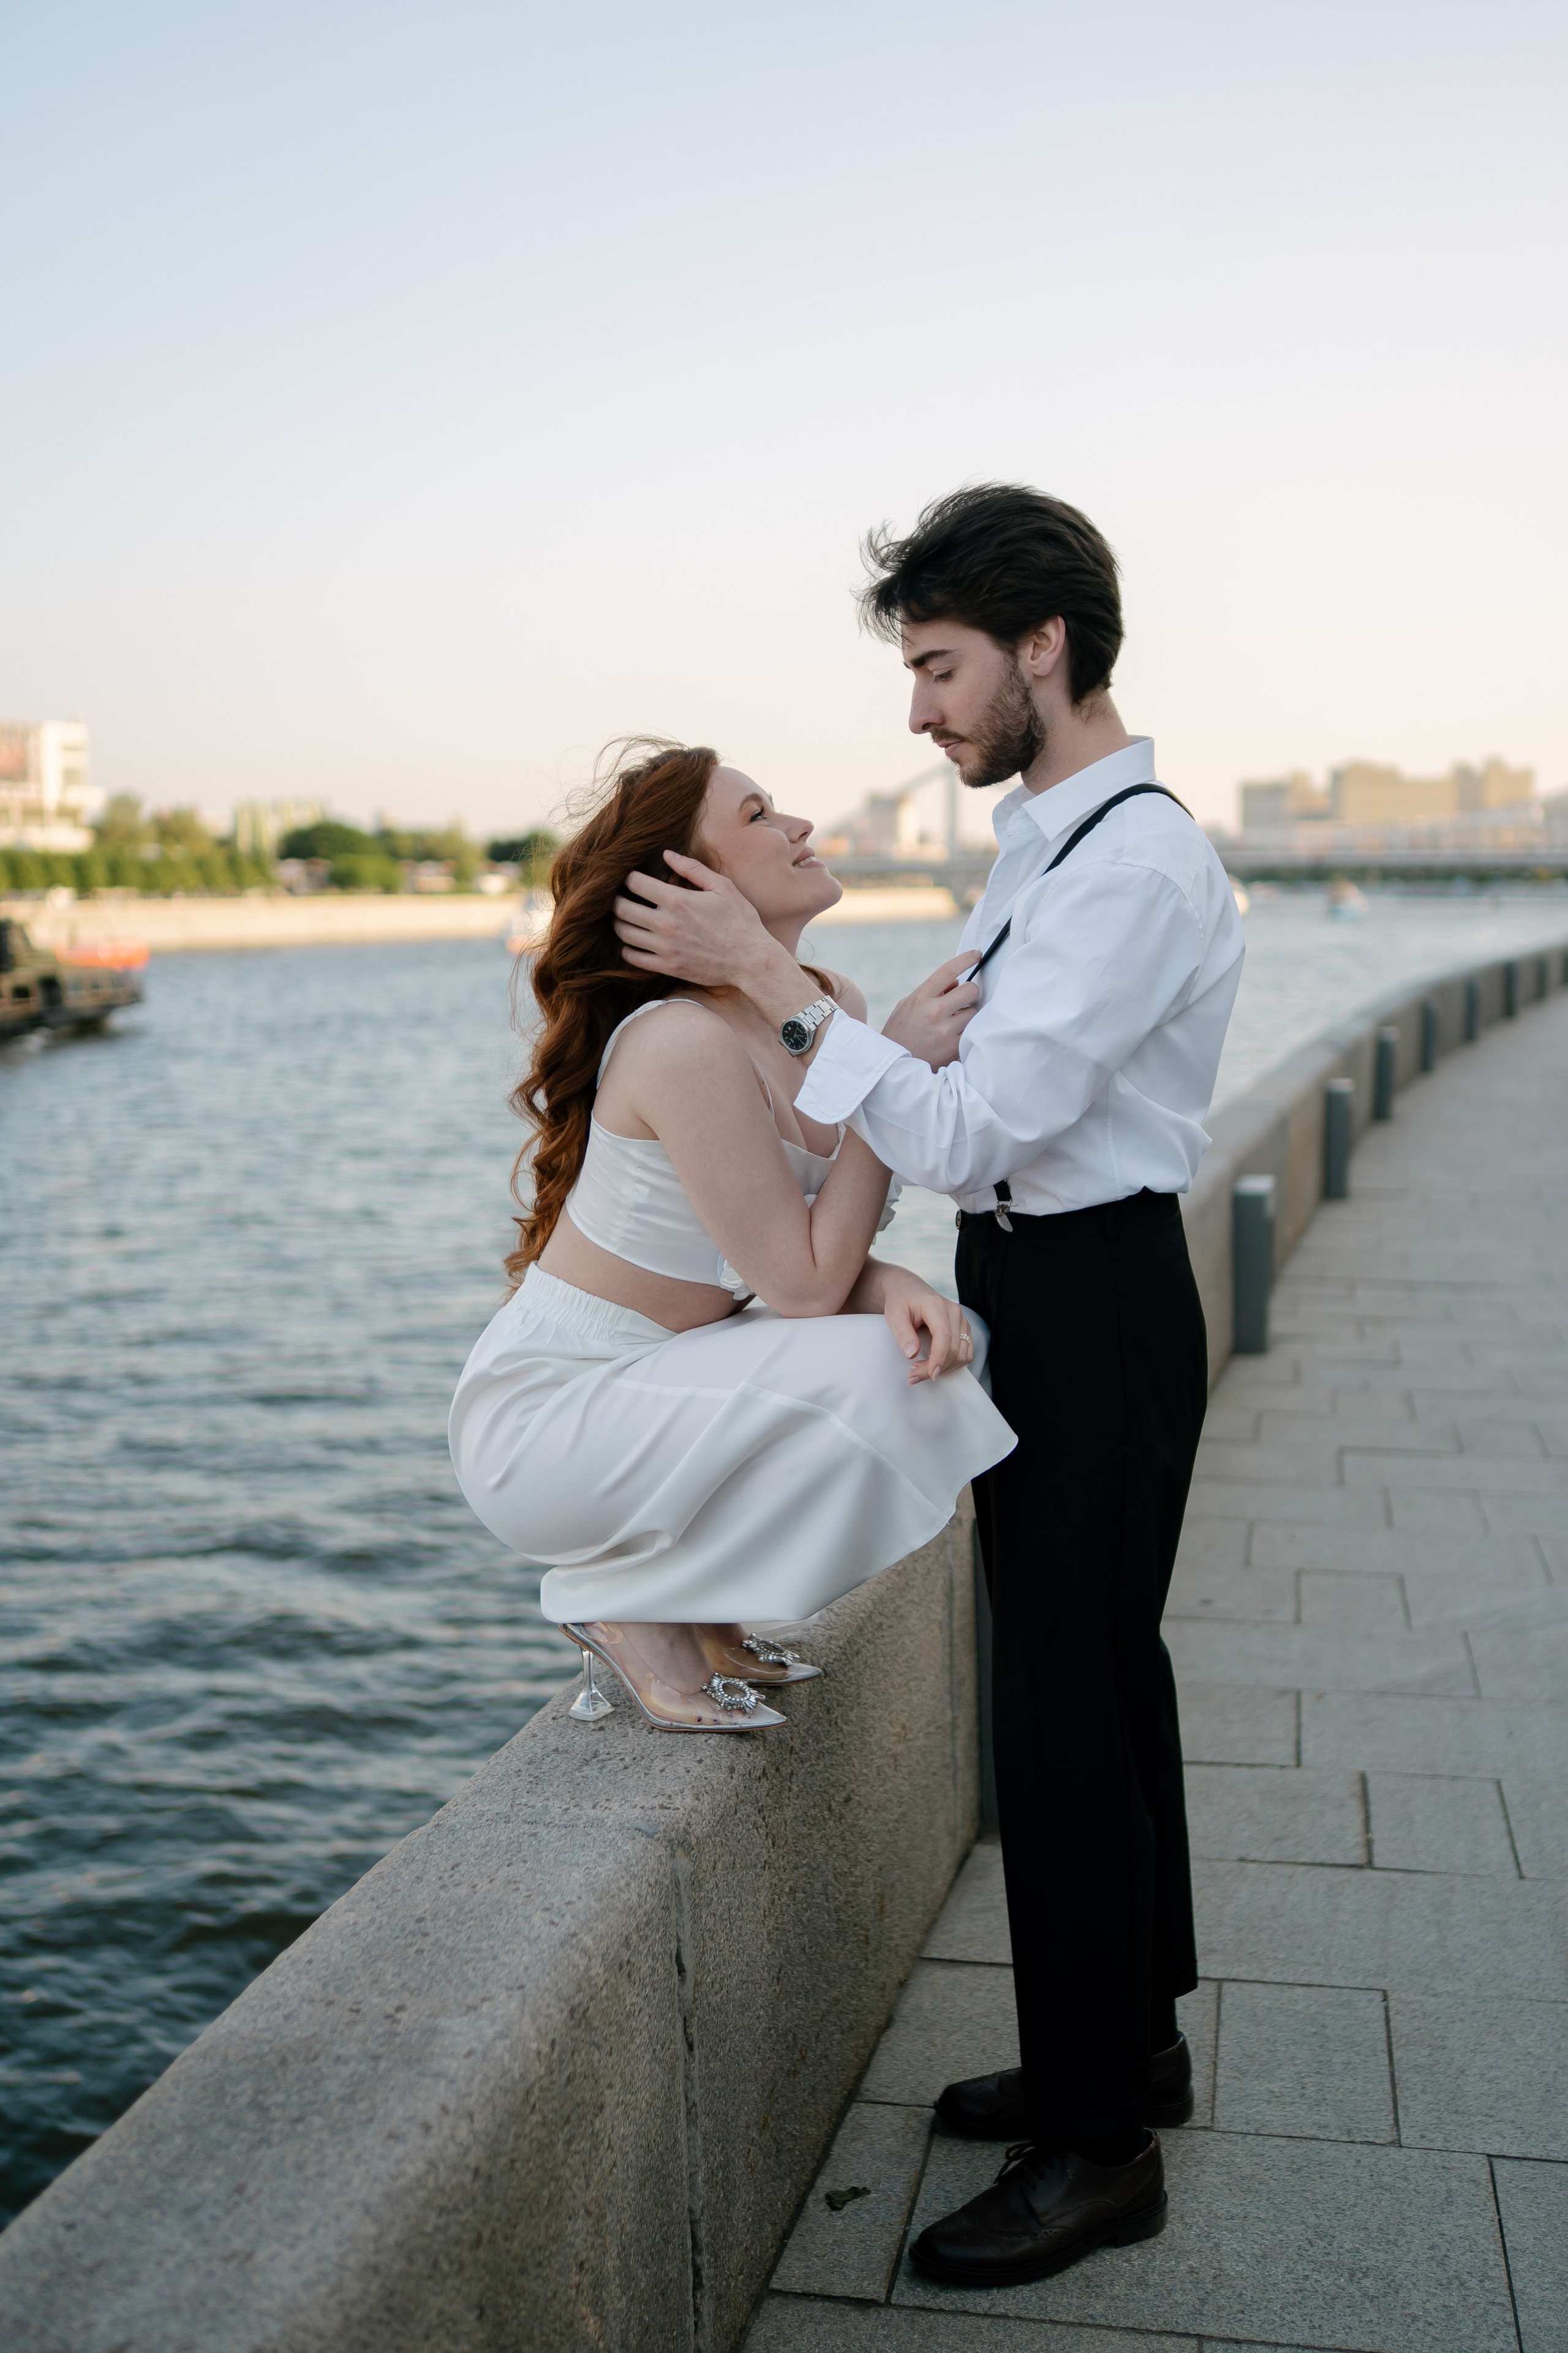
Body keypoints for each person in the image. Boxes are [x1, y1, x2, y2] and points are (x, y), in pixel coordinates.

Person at [612, 487, 1245, 2278]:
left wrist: (777, 988)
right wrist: (870, 1040)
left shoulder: (1126, 867)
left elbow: (975, 1131)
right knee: (1097, 1674)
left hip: (1093, 1290)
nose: (918, 713)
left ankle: (1099, 2150)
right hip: (1056, 1284)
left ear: (1045, 647)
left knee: (1061, 1708)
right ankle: (1123, 2047)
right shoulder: (1056, 837)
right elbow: (966, 1101)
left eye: (943, 668)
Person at [449, 738, 1014, 1734]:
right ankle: (627, 1598)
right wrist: (889, 1073)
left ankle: (695, 1597)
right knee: (883, 1373)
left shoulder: (831, 1005)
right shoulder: (681, 1041)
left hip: (672, 1380)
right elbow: (800, 1285)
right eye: (757, 816)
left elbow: (788, 1248)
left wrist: (891, 1281)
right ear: (691, 886)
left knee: (935, 1344)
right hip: (551, 1420)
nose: (799, 825)